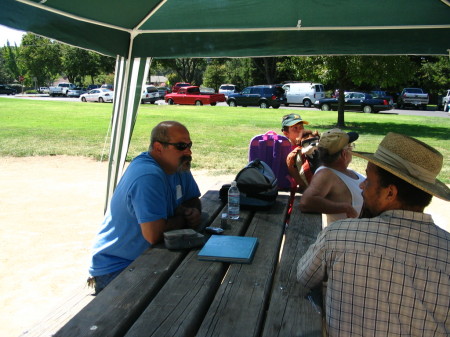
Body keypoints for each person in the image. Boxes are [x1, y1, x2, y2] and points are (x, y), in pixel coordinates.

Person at [297, 132, 450, 336]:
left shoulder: (338, 237)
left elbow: (304, 277)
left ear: (390, 193)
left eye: (368, 180)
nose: (362, 185)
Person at [88, 121, 201, 294]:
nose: (188, 151)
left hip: (149, 256)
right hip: (119, 266)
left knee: (196, 281)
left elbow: (193, 198)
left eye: (189, 145)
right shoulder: (149, 175)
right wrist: (186, 218)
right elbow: (154, 235)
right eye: (181, 146)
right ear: (158, 148)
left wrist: (193, 210)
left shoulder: (178, 166)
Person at [299, 128, 365, 227]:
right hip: (349, 235)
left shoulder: (340, 170)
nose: (352, 149)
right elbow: (306, 202)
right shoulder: (326, 174)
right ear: (344, 154)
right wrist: (345, 207)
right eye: (350, 147)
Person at [282, 113, 319, 193]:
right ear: (286, 133)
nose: (300, 131)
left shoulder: (309, 146)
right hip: (293, 190)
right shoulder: (286, 151)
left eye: (301, 127)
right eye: (295, 128)